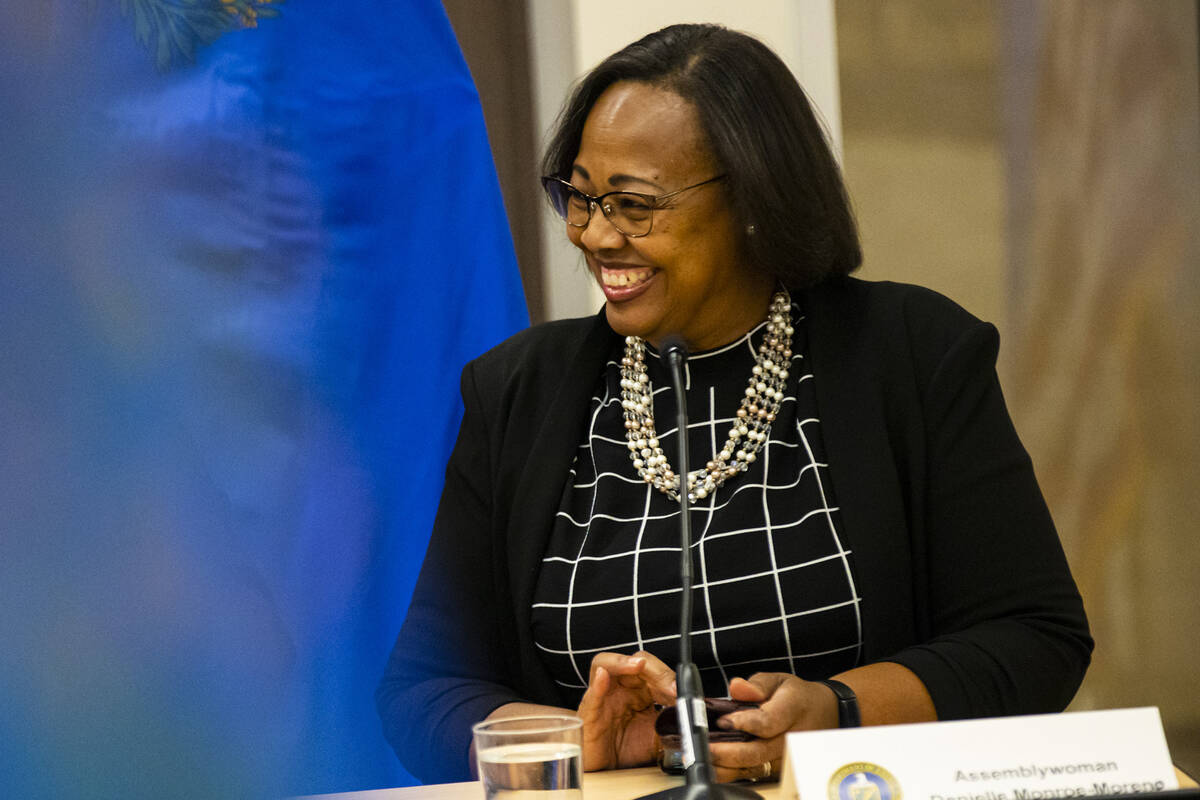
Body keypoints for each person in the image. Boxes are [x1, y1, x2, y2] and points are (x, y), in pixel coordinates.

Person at [377, 22, 1092, 786]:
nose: (595, 235)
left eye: (633, 204)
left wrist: (838, 711)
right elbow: (422, 689)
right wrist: (585, 740)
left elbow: (1035, 638)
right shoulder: (518, 391)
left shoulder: (912, 354)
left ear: (754, 196)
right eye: (580, 197)